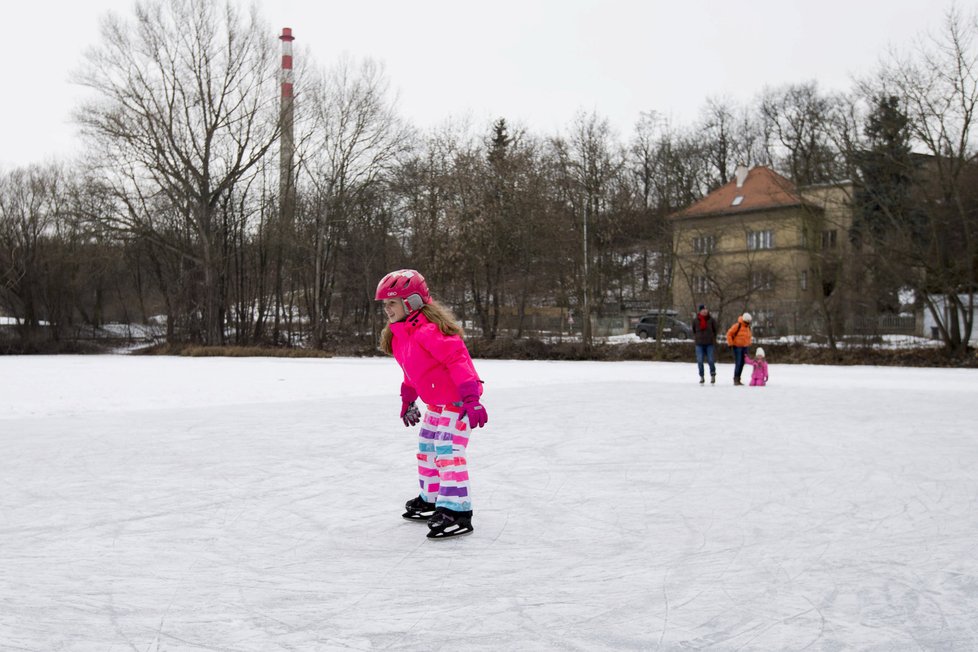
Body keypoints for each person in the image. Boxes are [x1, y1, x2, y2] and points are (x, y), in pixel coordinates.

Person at [376, 269, 487, 539]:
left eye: (392, 303)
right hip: (436, 403)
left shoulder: (428, 331)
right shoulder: (401, 335)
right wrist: (408, 399)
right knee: (427, 448)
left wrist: (472, 398)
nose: (387, 309)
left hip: (458, 401)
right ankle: (433, 497)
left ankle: (457, 509)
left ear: (411, 302)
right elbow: (412, 371)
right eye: (385, 304)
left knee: (447, 451)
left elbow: (458, 361)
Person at [692, 304, 718, 384]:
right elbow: (694, 330)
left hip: (709, 343)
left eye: (706, 309)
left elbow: (715, 330)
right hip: (699, 344)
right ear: (700, 311)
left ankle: (713, 375)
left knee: (710, 360)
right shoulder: (696, 320)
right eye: (703, 310)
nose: (705, 311)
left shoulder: (711, 320)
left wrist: (712, 338)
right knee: (700, 360)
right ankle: (702, 376)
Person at [725, 312, 753, 386]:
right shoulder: (737, 326)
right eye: (747, 322)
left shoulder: (748, 327)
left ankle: (738, 378)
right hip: (737, 347)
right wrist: (730, 343)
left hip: (745, 347)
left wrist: (749, 343)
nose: (748, 323)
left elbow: (748, 336)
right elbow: (729, 334)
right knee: (738, 362)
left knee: (742, 363)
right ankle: (736, 379)